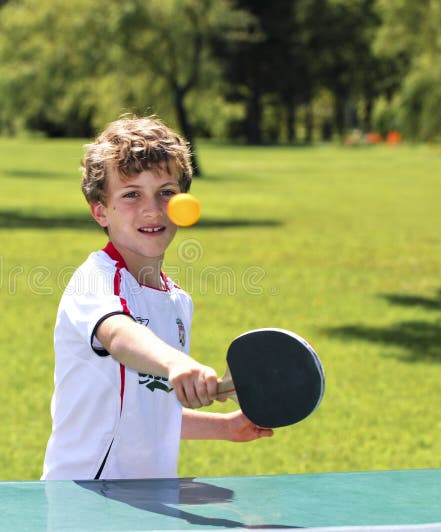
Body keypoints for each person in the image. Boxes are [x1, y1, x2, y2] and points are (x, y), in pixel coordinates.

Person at [41, 116, 272, 481]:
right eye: (131, 194)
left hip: (149, 501)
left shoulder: (178, 302)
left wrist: (224, 427)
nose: (152, 208)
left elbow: (150, 411)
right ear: (101, 210)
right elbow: (118, 336)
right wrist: (175, 362)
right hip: (84, 499)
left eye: (166, 192)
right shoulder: (96, 280)